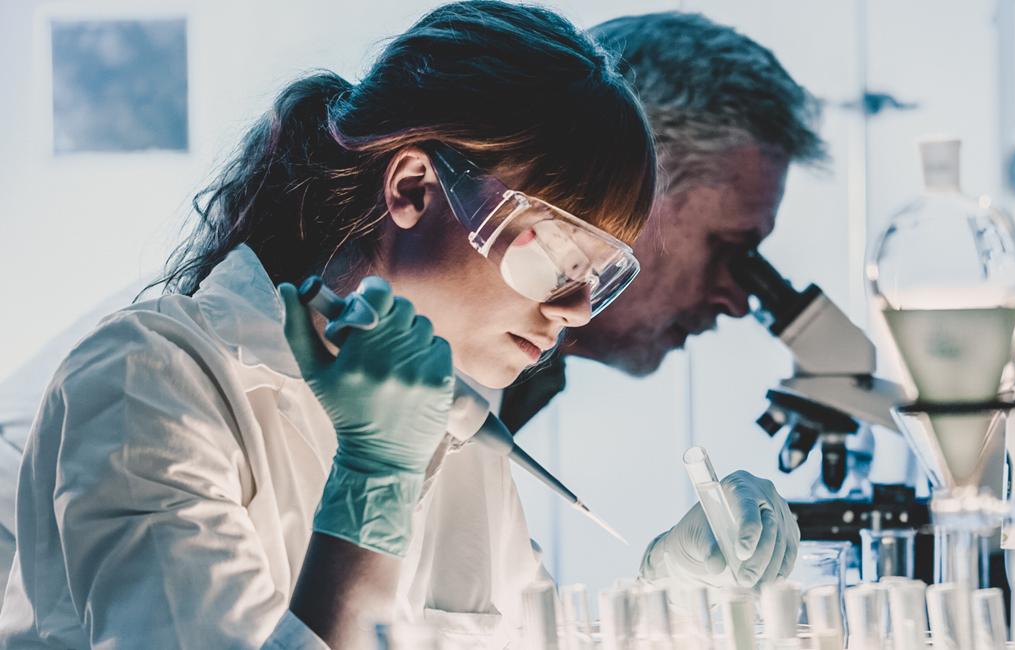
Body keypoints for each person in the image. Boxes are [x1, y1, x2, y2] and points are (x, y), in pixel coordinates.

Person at [0, 3, 661, 647]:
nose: (575, 310)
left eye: (600, 276)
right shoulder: (149, 380)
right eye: (556, 253)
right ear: (412, 188)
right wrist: (373, 486)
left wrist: (666, 604)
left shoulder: (453, 429)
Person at [499, 12, 826, 433]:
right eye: (726, 249)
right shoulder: (427, 358)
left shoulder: (528, 376)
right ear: (625, 181)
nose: (737, 302)